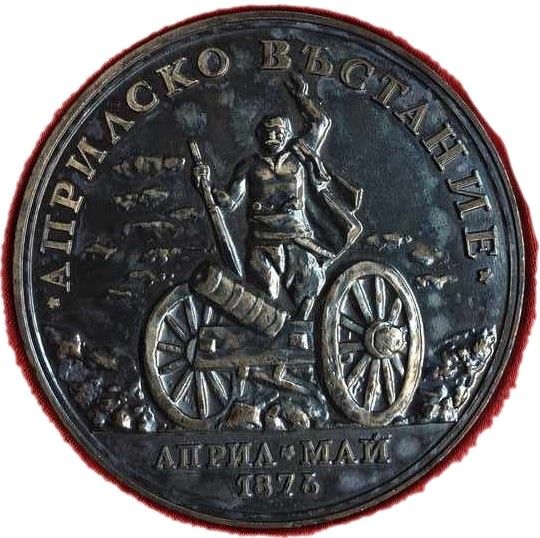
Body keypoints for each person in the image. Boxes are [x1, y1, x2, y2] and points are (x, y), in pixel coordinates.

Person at [193, 73, 350, 320]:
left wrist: (302, 99)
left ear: (287, 133)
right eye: (266, 133)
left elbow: (320, 122)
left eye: (277, 132)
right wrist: (206, 185)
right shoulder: (249, 165)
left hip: (298, 241)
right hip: (261, 243)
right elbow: (230, 201)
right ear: (259, 135)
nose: (272, 137)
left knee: (307, 300)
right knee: (264, 308)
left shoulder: (300, 154)